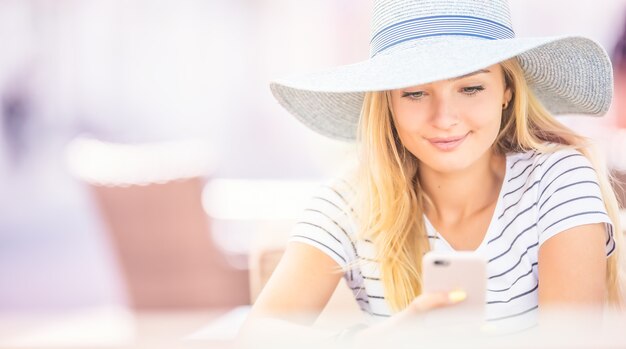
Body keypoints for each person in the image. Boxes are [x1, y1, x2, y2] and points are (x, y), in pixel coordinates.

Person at [240, 0, 623, 346]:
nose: (444, 119)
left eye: (471, 88)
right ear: (387, 100)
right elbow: (256, 335)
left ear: (507, 89)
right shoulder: (348, 202)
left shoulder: (557, 181)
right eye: (415, 93)